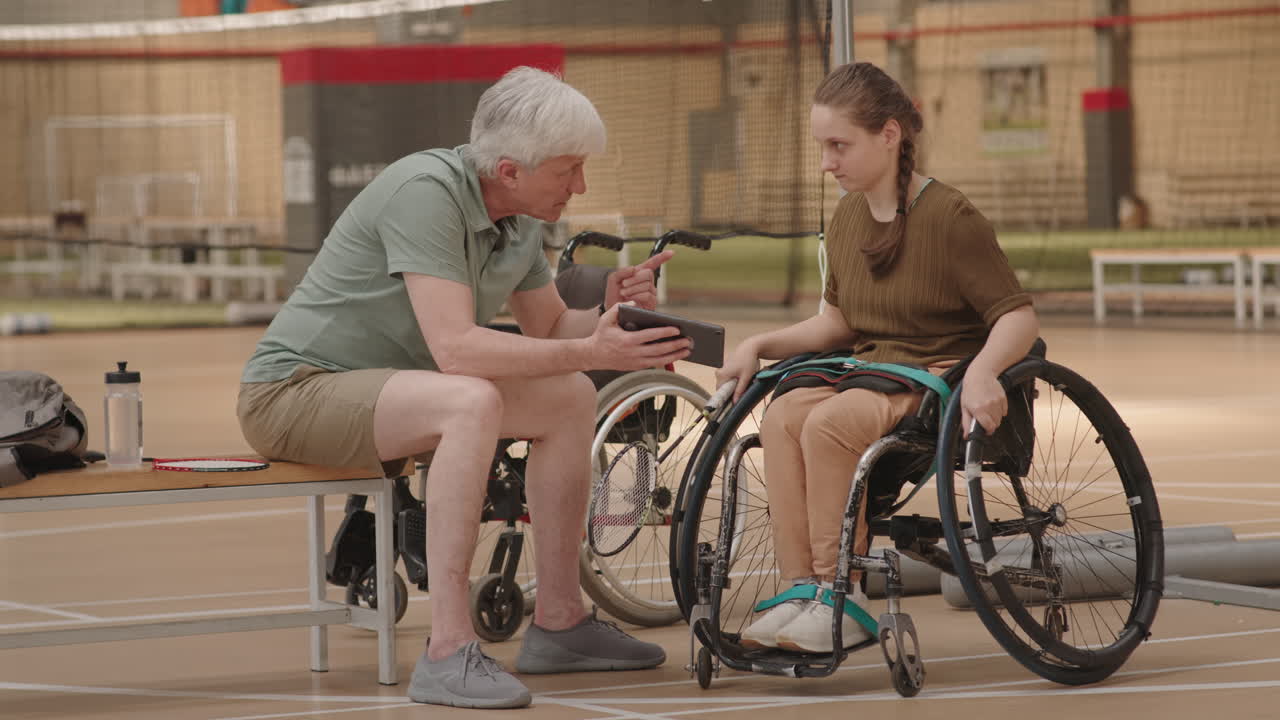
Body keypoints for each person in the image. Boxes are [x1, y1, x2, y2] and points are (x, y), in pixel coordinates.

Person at [237, 66, 688, 710]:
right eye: (567, 170)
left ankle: (560, 621)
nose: (580, 186)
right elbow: (456, 349)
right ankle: (447, 648)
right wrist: (590, 349)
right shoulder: (425, 193)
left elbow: (552, 327)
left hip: (394, 390)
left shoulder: (519, 216)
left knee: (570, 397)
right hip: (293, 393)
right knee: (471, 400)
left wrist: (608, 311)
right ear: (509, 170)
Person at [716, 62, 1039, 654]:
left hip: (938, 376)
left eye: (839, 145)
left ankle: (841, 593)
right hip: (874, 370)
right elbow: (841, 321)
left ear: (889, 135)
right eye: (823, 146)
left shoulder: (950, 218)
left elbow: (1017, 316)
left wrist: (987, 371)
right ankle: (799, 588)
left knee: (830, 422)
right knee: (784, 415)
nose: (826, 162)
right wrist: (757, 345)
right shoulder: (848, 217)